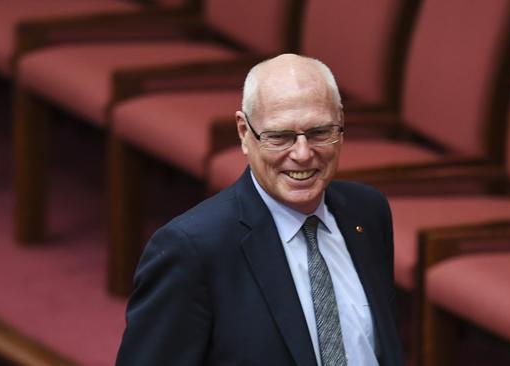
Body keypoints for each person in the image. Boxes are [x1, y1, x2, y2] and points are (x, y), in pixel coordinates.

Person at [115, 54, 403, 366]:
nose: (303, 154)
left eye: (320, 132)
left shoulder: (367, 212)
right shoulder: (192, 251)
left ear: (341, 124)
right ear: (244, 133)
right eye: (280, 137)